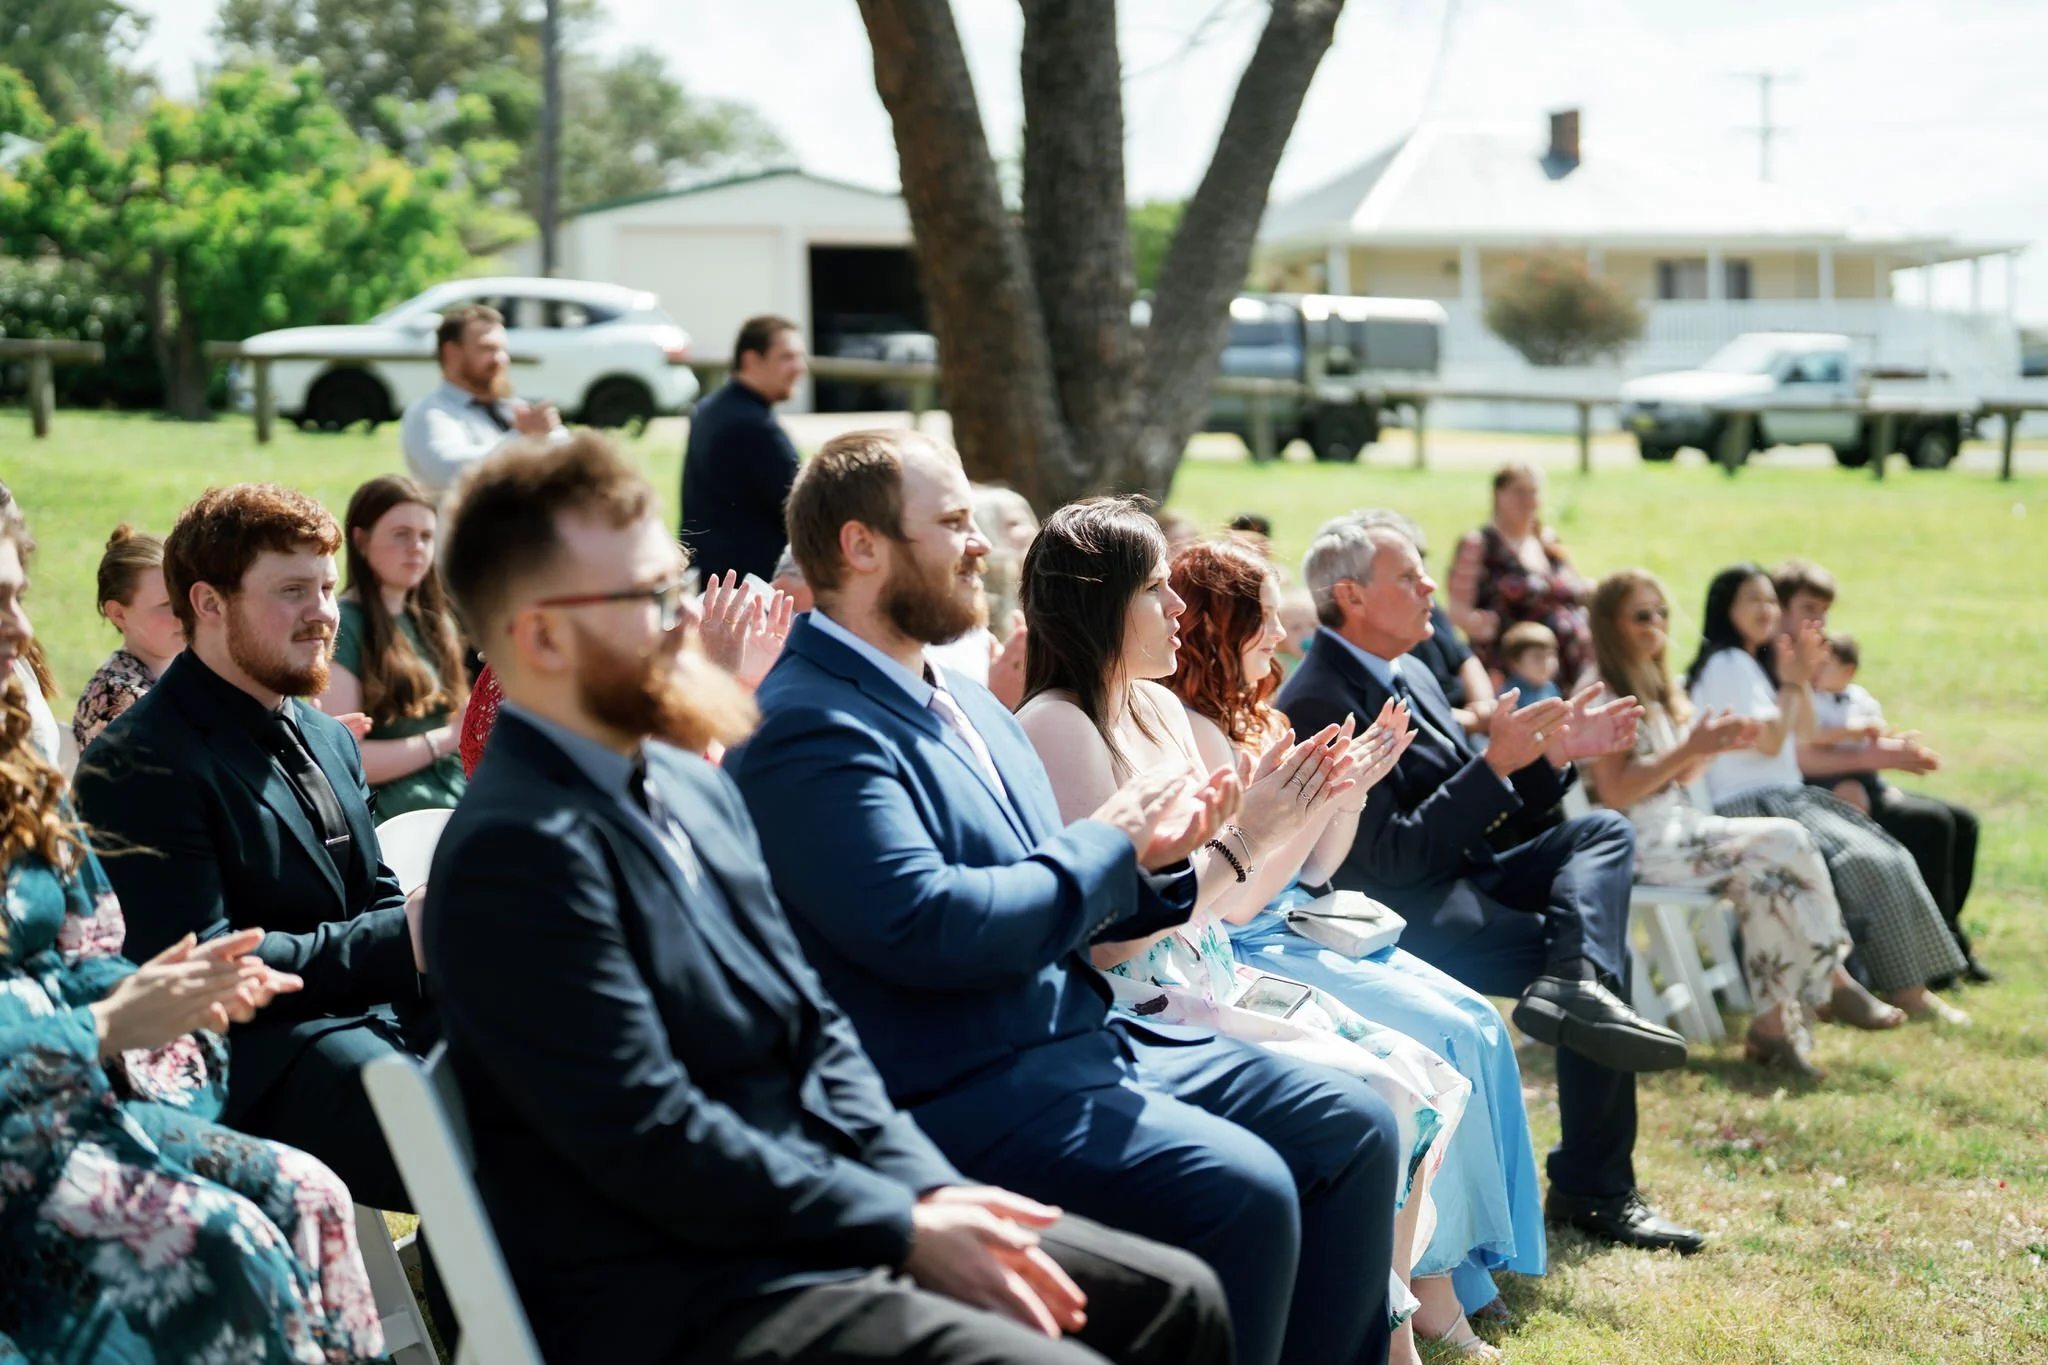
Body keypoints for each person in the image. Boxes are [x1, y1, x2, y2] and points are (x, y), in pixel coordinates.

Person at [427, 432, 1235, 1365]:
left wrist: (930, 1190)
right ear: (539, 636)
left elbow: (816, 1028)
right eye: (648, 600)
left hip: (810, 1218)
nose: (683, 622)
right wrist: (897, 1223)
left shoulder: (686, 781)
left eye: (674, 587)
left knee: (1179, 1300)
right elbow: (651, 1138)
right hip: (678, 1288)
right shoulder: (515, 851)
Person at [728, 429, 1410, 1365]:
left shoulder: (961, 705)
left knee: (1356, 1125)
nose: (982, 543)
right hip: (964, 1081)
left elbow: (1080, 899)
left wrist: (1177, 852)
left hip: (1083, 1041)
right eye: (955, 521)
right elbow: (930, 926)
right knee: (1244, 1190)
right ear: (861, 546)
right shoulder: (812, 723)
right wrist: (1113, 844)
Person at [1013, 504, 1478, 1365]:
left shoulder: (1153, 709)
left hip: (1207, 964)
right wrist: (1252, 828)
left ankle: (1383, 1329)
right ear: (1099, 600)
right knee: (1378, 1090)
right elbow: (1112, 933)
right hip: (1140, 1004)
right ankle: (1375, 1339)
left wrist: (1312, 800)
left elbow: (1228, 898)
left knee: (1422, 1076)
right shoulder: (1056, 724)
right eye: (1156, 589)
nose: (1178, 609)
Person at [0, 492, 385, 1364]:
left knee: (310, 1195)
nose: (21, 629)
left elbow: (91, 947)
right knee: (222, 1246)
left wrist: (152, 997)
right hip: (30, 1121)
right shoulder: (142, 756)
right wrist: (104, 1026)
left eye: (18, 594)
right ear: (209, 604)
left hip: (81, 1096)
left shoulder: (15, 769)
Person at [1277, 513, 1706, 1256]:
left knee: (1603, 833)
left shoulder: (1409, 669)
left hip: (1464, 878)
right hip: (1405, 916)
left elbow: (1491, 818)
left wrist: (1547, 758)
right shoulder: (1319, 697)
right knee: (1605, 965)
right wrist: (1496, 767)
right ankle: (1594, 1185)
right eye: (1407, 577)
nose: (1429, 587)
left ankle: (1573, 981)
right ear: (1349, 595)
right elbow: (1389, 860)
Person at [1165, 535, 1547, 1345]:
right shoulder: (1197, 729)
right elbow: (1237, 903)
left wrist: (1347, 795)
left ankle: (1479, 1261)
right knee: (1437, 1035)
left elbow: (1317, 868)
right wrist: (1305, 805)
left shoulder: (1263, 714)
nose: (1281, 636)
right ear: (1223, 624)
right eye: (1266, 620)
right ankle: (1434, 1288)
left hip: (1293, 917)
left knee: (1474, 1018)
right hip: (1246, 938)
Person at [71, 483, 444, 1286]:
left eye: (323, 587)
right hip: (250, 1061)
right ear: (208, 602)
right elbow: (203, 968)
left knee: (545, 1064)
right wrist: (400, 939)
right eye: (290, 591)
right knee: (463, 1135)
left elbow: (374, 895)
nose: (322, 613)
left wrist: (426, 938)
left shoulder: (320, 730)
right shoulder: (140, 760)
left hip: (363, 1020)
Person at [1587, 569, 1903, 1080]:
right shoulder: (1603, 692)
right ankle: (1834, 978)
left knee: (1766, 876)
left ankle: (1771, 1027)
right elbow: (1617, 792)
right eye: (1641, 615)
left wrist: (1708, 751)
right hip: (1637, 844)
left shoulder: (1653, 682)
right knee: (1786, 838)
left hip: (1679, 828)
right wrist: (1691, 749)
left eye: (1662, 613)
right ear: (1609, 623)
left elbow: (1674, 777)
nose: (1656, 625)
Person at [1683, 564, 1969, 1023]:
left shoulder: (1753, 662)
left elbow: (1806, 731)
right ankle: (1900, 991)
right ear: (1724, 609)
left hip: (1784, 795)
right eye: (1751, 601)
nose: (1764, 610)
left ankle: (1907, 988)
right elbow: (1771, 742)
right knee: (1868, 860)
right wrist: (1795, 680)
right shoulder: (1727, 663)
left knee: (1887, 852)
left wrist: (1794, 675)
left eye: (1769, 601)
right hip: (1754, 803)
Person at [1773, 558, 1987, 984]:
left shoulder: (1814, 662)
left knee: (1962, 822)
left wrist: (1888, 749)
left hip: (1856, 780)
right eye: (1808, 608)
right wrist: (1878, 758)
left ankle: (1950, 939)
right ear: (1782, 609)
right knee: (1930, 825)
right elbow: (1800, 753)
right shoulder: (1780, 667)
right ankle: (1933, 962)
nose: (1819, 620)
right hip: (1819, 792)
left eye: (1824, 610)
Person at [314, 475, 469, 816]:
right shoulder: (344, 626)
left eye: (426, 536)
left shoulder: (435, 622)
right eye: (401, 535)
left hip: (456, 803)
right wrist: (445, 740)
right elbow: (346, 756)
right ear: (361, 540)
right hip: (393, 819)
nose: (417, 547)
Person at [679, 314, 809, 586]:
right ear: (751, 360)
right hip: (751, 593)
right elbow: (806, 509)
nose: (800, 368)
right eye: (787, 357)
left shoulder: (709, 409)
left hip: (711, 581)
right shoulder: (753, 426)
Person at [1445, 463, 1594, 691]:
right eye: (1518, 492)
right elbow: (1458, 609)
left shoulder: (1548, 540)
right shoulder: (1479, 544)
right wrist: (1492, 628)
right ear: (1498, 494)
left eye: (1533, 492)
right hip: (1515, 673)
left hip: (1567, 665)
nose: (1527, 500)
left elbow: (1576, 584)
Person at [401, 302, 568, 495]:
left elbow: (570, 458)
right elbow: (447, 471)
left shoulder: (514, 408)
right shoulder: (428, 412)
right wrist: (522, 439)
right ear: (451, 352)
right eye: (487, 348)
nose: (501, 359)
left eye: (502, 349)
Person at [73, 524, 184, 750]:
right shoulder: (118, 700)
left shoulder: (192, 668)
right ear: (119, 614)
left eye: (186, 596)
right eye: (166, 604)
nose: (185, 612)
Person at [1808, 635, 1885, 812]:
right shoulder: (1812, 699)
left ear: (1847, 671)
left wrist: (1878, 731)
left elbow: (1878, 725)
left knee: (1890, 796)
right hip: (1829, 773)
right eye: (1814, 664)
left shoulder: (1860, 696)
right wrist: (1849, 732)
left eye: (1824, 666)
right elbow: (1814, 736)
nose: (1815, 671)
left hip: (1864, 769)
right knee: (1853, 797)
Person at [1496, 622, 1562, 706]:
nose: (1547, 662)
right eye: (1537, 657)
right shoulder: (1511, 696)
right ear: (1516, 663)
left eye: (1551, 655)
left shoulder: (1551, 688)